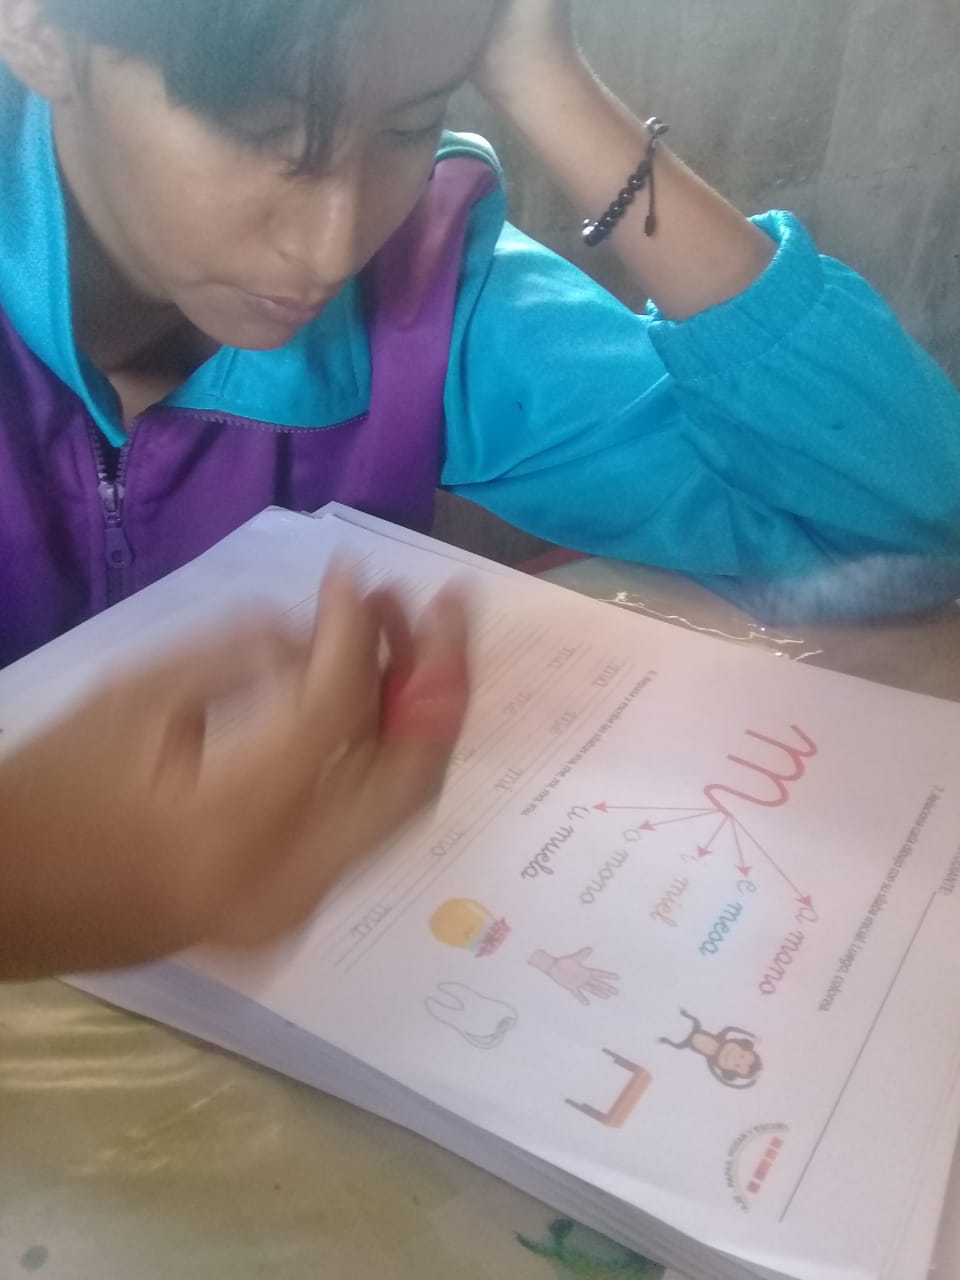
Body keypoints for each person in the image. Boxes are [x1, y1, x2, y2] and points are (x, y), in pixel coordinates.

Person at [1, 0, 958, 978]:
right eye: (259, 131)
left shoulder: (428, 289)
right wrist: (29, 881)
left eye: (408, 125)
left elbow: (899, 539)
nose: (331, 247)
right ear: (34, 26)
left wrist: (548, 79)